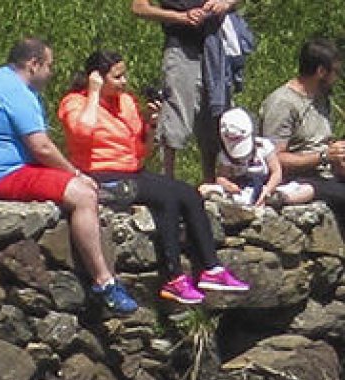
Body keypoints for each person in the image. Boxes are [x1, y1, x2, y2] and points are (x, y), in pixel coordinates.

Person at [58, 50, 249, 305]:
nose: (124, 82)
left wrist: (151, 125)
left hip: (131, 168)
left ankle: (211, 268)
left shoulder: (125, 102)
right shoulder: (74, 102)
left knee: (188, 193)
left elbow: (140, 149)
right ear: (98, 78)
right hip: (99, 174)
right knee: (165, 199)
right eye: (117, 77)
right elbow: (83, 131)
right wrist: (93, 93)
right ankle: (174, 277)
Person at [0, 37, 139, 314]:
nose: (51, 72)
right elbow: (42, 147)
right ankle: (104, 282)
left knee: (82, 189)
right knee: (82, 195)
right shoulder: (16, 92)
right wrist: (76, 175)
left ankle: (101, 209)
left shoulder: (2, 83)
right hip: (2, 176)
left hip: (8, 171)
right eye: (49, 65)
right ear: (33, 65)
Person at [130, 0, 252, 182]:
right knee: (176, 113)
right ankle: (168, 180)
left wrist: (225, 3)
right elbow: (139, 8)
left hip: (216, 45)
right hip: (181, 46)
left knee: (215, 116)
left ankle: (212, 182)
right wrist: (180, 17)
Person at [259, 37, 345, 224]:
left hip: (328, 174)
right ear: (321, 71)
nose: (336, 79)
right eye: (335, 72)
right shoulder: (283, 104)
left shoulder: (321, 98)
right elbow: (273, 157)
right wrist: (323, 156)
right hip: (301, 177)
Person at [214, 107, 314, 208]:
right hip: (242, 188)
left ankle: (278, 200)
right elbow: (221, 177)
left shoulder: (264, 146)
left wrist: (267, 190)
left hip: (268, 185)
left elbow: (276, 172)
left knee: (303, 189)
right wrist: (229, 186)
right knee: (210, 190)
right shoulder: (225, 156)